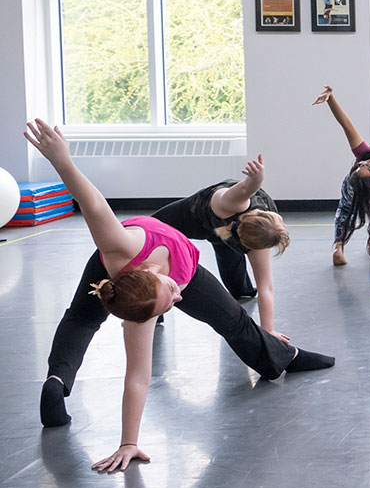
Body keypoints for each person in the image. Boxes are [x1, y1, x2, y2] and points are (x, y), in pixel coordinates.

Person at [27, 120, 334, 446]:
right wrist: (128, 445)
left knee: (232, 318)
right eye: (170, 304)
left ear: (150, 274)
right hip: (145, 268)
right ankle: (56, 382)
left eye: (170, 296)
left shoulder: (119, 243)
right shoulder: (140, 312)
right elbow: (137, 378)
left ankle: (287, 356)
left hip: (145, 253)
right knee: (83, 318)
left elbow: (92, 202)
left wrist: (61, 160)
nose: (178, 299)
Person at [147, 156, 292, 334]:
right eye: (281, 224)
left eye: (281, 223)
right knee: (149, 245)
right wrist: (256, 178)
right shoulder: (232, 203)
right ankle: (152, 308)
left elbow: (266, 287)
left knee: (232, 270)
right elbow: (247, 188)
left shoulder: (253, 237)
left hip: (223, 231)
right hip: (185, 221)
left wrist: (268, 331)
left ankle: (241, 290)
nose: (284, 224)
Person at [314, 85, 370, 289]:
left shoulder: (366, 156)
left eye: (368, 165)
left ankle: (360, 241)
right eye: (369, 167)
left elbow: (347, 125)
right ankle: (338, 247)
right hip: (353, 184)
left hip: (359, 181)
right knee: (346, 210)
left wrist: (331, 99)